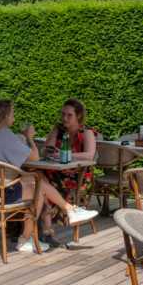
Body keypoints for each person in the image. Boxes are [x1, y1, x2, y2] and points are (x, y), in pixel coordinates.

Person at [0, 100, 97, 253]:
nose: (14, 118)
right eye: (12, 114)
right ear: (5, 116)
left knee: (37, 177)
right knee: (38, 189)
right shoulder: (4, 134)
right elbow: (35, 157)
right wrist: (29, 137)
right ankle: (26, 239)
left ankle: (69, 211)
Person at [39, 98, 98, 245]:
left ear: (78, 116)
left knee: (40, 180)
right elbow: (44, 150)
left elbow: (89, 155)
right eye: (63, 114)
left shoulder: (87, 132)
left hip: (79, 175)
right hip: (57, 171)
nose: (64, 118)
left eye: (69, 115)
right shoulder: (58, 129)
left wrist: (65, 154)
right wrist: (51, 151)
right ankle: (48, 227)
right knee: (38, 177)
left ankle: (45, 228)